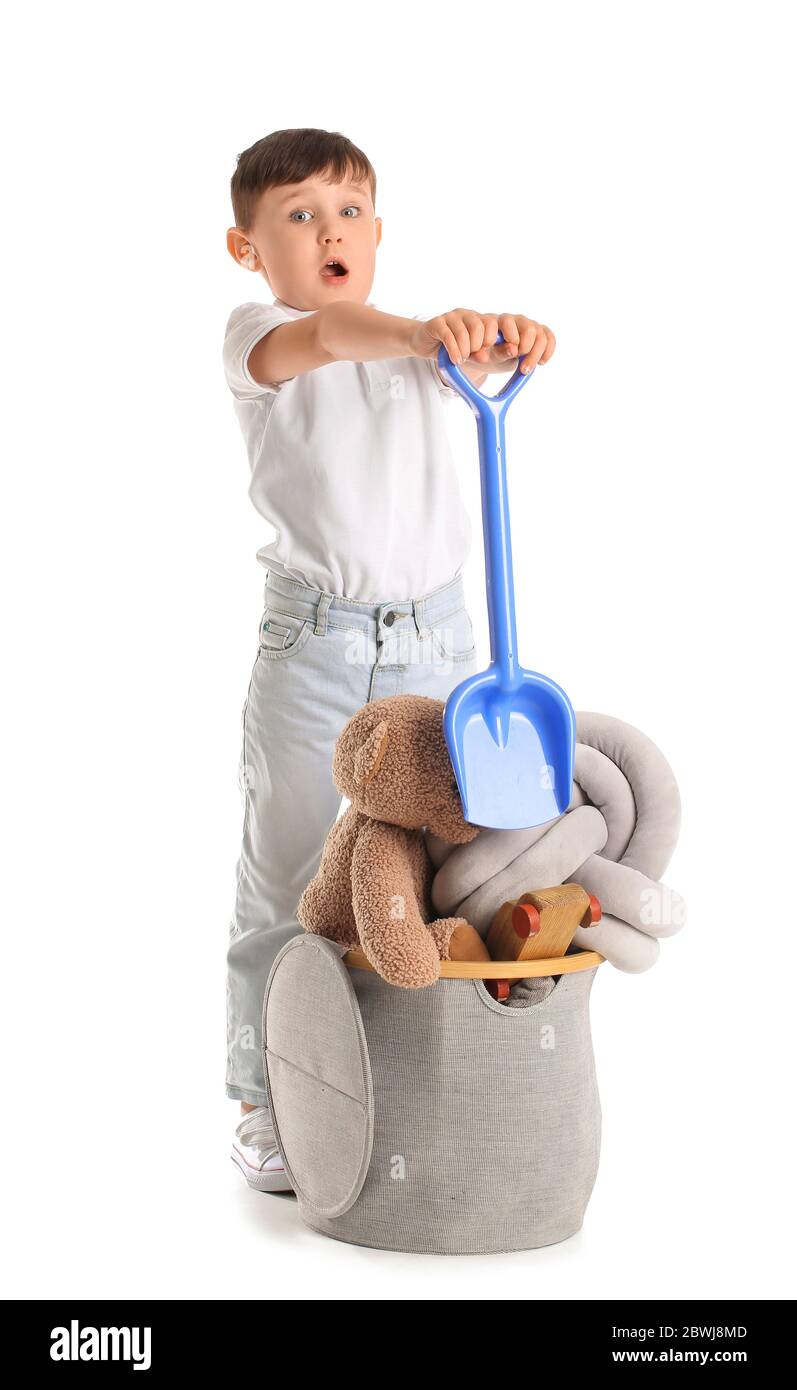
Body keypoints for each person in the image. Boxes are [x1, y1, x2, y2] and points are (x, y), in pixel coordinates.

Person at [222, 127, 556, 1191]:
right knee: (283, 870)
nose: (330, 230)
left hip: (439, 641)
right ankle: (261, 1098)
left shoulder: (424, 350)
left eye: (349, 211)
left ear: (378, 231)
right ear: (246, 247)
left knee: (453, 863)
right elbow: (330, 339)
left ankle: (441, 1067)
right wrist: (422, 331)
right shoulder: (258, 338)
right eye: (299, 214)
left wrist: (507, 339)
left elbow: (473, 359)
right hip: (312, 641)